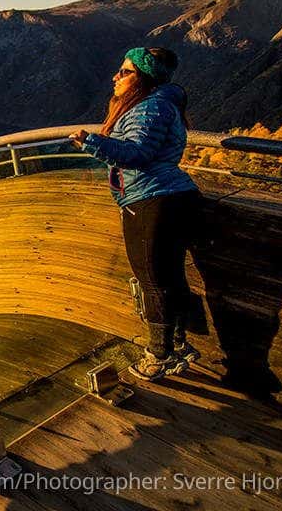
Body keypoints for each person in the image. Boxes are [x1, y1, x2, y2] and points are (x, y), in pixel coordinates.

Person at [69, 47, 202, 381]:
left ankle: (159, 356)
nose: (116, 77)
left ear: (143, 78)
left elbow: (138, 153)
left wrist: (91, 143)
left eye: (125, 72)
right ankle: (176, 346)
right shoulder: (157, 105)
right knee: (168, 277)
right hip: (168, 198)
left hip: (152, 201)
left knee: (152, 280)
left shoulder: (150, 107)